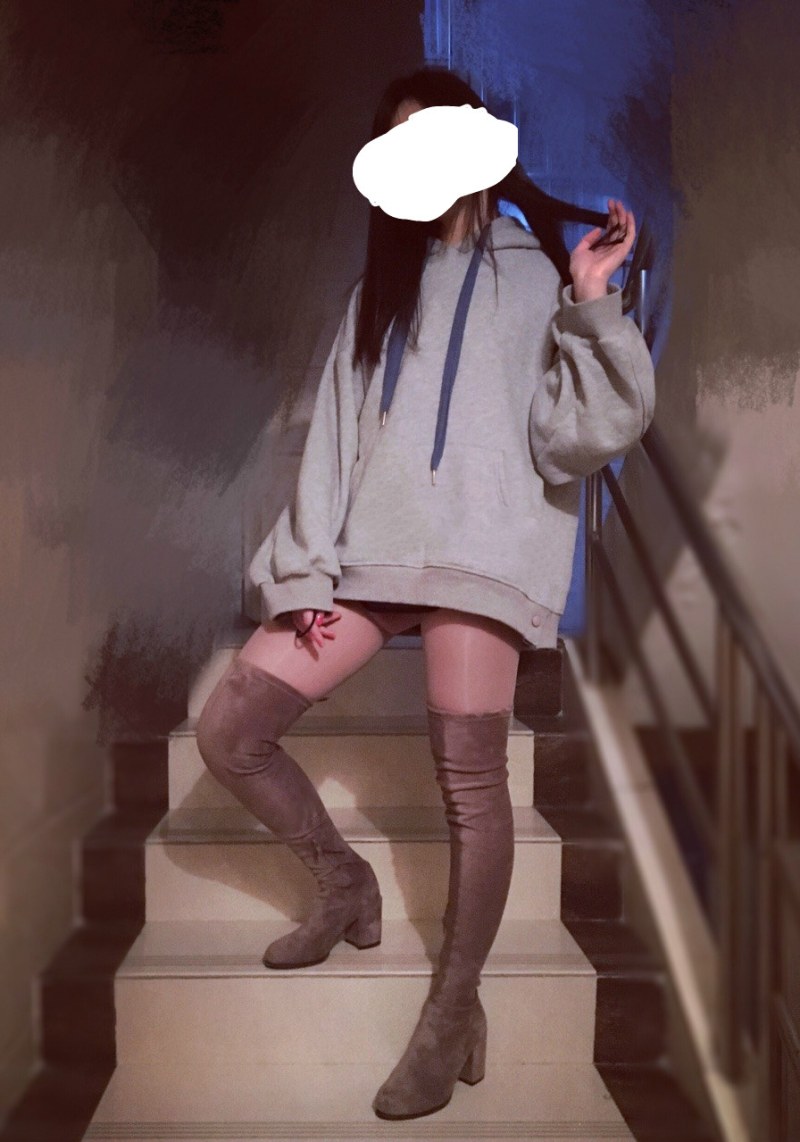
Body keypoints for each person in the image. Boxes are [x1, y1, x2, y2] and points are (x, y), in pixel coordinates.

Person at [195, 65, 656, 1122]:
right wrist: (304, 569)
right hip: (370, 556)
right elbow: (334, 446)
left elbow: (579, 438)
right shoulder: (378, 294)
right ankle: (344, 883)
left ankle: (452, 1010)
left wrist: (593, 303)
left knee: (469, 782)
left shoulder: (541, 282)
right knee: (230, 728)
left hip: (482, 557)